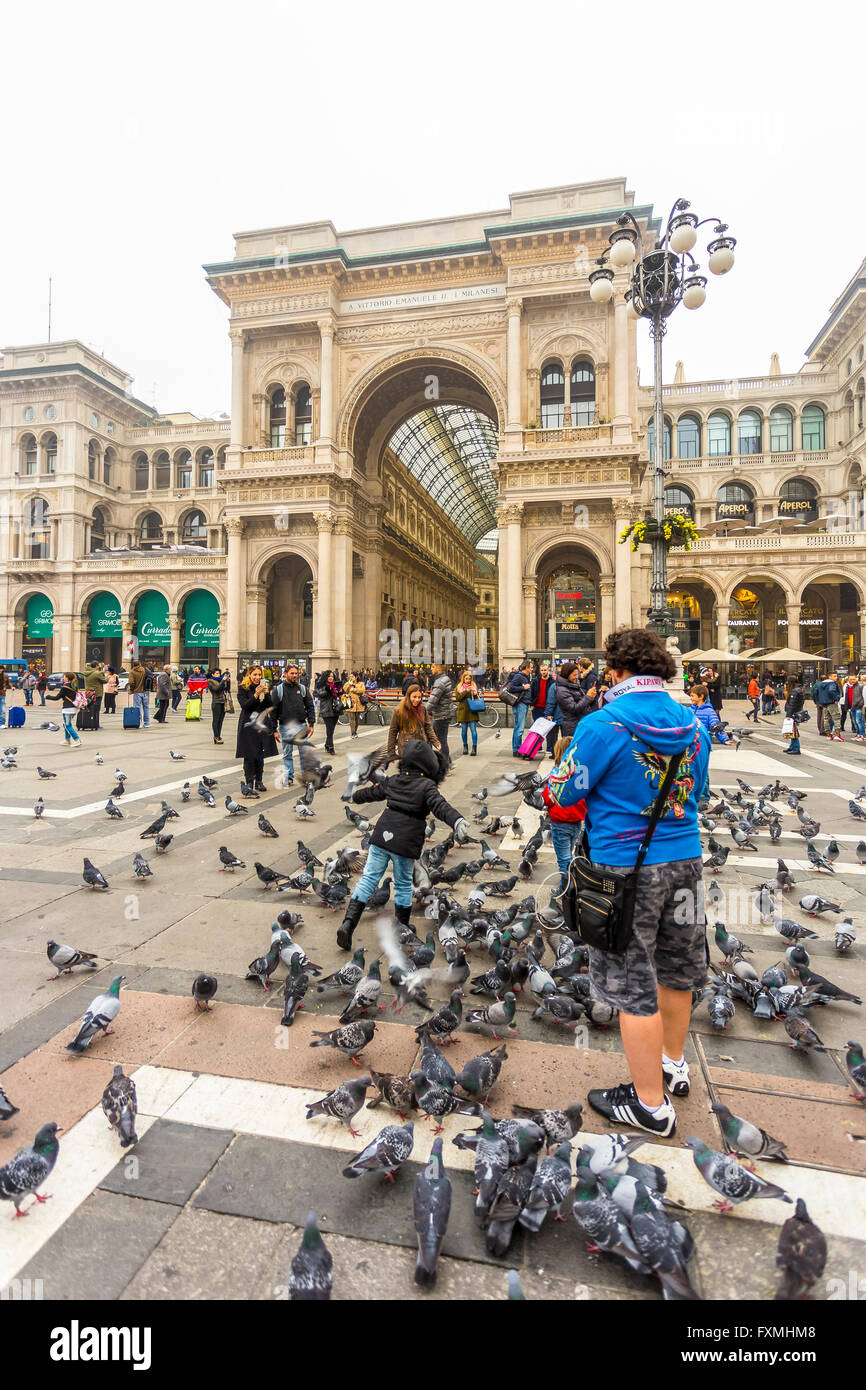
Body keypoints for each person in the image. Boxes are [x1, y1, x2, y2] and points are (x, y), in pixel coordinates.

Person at [550, 626, 710, 1137]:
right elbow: (698, 792)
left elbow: (565, 794)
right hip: (686, 861)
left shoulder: (604, 724)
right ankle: (673, 1064)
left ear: (616, 671)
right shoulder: (692, 722)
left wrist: (559, 778)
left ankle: (649, 1106)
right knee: (677, 968)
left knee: (629, 980)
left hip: (624, 871)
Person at [335, 738, 468, 950]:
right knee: (404, 884)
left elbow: (372, 793)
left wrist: (353, 796)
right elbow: (440, 806)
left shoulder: (393, 780)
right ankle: (402, 928)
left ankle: (348, 923)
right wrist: (457, 820)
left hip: (381, 837)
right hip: (405, 842)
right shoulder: (427, 786)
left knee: (368, 879)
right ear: (428, 765)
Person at [542, 734, 587, 890]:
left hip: (560, 822)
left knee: (564, 860)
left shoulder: (557, 773)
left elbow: (548, 798)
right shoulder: (582, 773)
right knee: (571, 855)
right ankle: (571, 885)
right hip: (577, 821)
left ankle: (565, 891)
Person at [271, 664, 315, 783]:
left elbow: (310, 706)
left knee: (304, 754)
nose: (295, 675)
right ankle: (289, 776)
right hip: (285, 726)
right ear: (285, 674)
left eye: (296, 673)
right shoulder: (279, 690)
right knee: (287, 754)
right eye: (292, 673)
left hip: (301, 725)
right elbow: (273, 711)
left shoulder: (302, 689)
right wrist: (274, 729)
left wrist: (311, 724)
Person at [236, 666, 277, 792]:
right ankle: (249, 782)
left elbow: (270, 705)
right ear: (249, 675)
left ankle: (259, 780)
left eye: (259, 675)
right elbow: (245, 705)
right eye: (255, 675)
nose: (257, 677)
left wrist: (266, 694)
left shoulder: (264, 687)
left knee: (260, 754)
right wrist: (256, 694)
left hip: (262, 723)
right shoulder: (243, 689)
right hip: (248, 723)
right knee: (249, 754)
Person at [688, 683, 730, 800]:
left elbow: (716, 727)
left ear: (701, 697)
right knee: (690, 770)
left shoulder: (709, 712)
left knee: (703, 771)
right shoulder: (689, 710)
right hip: (690, 746)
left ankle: (705, 797)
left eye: (693, 696)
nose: (691, 698)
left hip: (703, 746)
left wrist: (725, 739)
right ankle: (692, 792)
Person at [386, 685, 441, 760]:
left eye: (419, 697)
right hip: (406, 748)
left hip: (422, 746)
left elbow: (428, 727)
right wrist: (391, 752)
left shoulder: (422, 709)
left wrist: (435, 742)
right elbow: (393, 731)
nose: (417, 700)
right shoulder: (399, 710)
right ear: (408, 696)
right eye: (414, 697)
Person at [550, 661, 594, 742]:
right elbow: (573, 708)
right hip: (572, 726)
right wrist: (588, 697)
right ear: (567, 675)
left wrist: (591, 697)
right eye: (574, 675)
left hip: (580, 723)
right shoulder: (562, 690)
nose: (577, 677)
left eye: (577, 674)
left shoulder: (574, 684)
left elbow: (582, 702)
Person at [426, 661, 454, 766]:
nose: (431, 669)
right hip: (444, 713)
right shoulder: (444, 679)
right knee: (436, 738)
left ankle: (445, 765)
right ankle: (447, 762)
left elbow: (433, 700)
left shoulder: (440, 682)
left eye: (432, 667)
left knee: (441, 740)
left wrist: (424, 712)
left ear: (438, 668)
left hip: (441, 715)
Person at [528, 660, 557, 756]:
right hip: (536, 708)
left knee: (549, 729)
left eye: (545, 670)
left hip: (547, 708)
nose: (543, 672)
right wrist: (531, 704)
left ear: (548, 670)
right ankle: (538, 747)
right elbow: (531, 693)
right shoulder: (536, 681)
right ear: (540, 671)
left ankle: (549, 748)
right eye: (542, 670)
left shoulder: (552, 681)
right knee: (537, 729)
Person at [47, 673, 83, 747]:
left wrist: (48, 697)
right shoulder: (74, 686)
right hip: (74, 708)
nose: (63, 678)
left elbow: (57, 697)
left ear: (67, 678)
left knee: (67, 725)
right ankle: (67, 740)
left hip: (67, 709)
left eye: (64, 677)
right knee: (65, 724)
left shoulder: (65, 687)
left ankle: (77, 739)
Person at [505, 660, 533, 755]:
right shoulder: (519, 676)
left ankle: (516, 749)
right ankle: (517, 749)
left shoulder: (525, 676)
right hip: (520, 704)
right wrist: (523, 688)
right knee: (520, 728)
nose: (532, 669)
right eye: (531, 667)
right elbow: (511, 688)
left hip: (523, 704)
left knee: (518, 727)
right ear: (527, 668)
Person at [454, 668, 481, 756]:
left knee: (473, 730)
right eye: (466, 679)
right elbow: (458, 698)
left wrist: (474, 692)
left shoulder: (474, 686)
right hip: (463, 711)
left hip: (472, 711)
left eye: (469, 679)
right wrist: (466, 691)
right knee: (464, 730)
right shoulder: (459, 687)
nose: (468, 681)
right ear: (463, 679)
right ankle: (465, 747)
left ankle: (474, 748)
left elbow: (477, 699)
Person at [315, 670, 342, 755]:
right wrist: (328, 690)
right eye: (329, 676)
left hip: (335, 709)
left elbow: (340, 694)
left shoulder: (336, 685)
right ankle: (331, 747)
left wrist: (340, 690)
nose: (331, 678)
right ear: (326, 677)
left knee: (332, 730)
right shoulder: (322, 685)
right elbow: (319, 694)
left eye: (332, 676)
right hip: (326, 709)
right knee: (329, 729)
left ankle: (327, 744)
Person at [783, 676, 805, 754]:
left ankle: (796, 748)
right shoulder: (799, 689)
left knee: (793, 731)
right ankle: (792, 746)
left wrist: (789, 715)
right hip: (796, 712)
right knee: (792, 730)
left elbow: (792, 704)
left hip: (793, 713)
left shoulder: (794, 691)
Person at [207, 667, 230, 745]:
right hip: (216, 702)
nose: (218, 674)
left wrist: (227, 681)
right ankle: (216, 736)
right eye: (217, 673)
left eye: (219, 673)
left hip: (223, 702)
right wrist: (223, 681)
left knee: (221, 721)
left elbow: (227, 689)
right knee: (216, 720)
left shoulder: (220, 680)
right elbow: (216, 689)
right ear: (212, 674)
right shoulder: (210, 681)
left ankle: (219, 736)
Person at [342, 672, 366, 739]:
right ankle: (353, 733)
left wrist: (354, 689)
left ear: (356, 677)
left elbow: (362, 690)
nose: (351, 678)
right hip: (350, 703)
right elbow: (344, 689)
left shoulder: (361, 683)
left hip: (358, 704)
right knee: (351, 719)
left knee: (357, 719)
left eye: (352, 676)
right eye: (350, 676)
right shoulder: (348, 683)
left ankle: (355, 731)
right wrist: (349, 684)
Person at [127, 660, 151, 728]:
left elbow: (131, 682)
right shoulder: (145, 669)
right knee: (146, 707)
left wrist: (132, 689)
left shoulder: (132, 672)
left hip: (137, 692)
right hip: (146, 691)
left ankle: (138, 723)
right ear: (140, 664)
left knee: (137, 707)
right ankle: (147, 723)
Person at [84, 661, 108, 725]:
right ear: (96, 666)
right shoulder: (97, 673)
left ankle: (88, 722)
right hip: (97, 693)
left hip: (88, 693)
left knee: (89, 708)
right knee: (96, 709)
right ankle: (96, 724)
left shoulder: (86, 673)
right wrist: (106, 675)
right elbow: (105, 680)